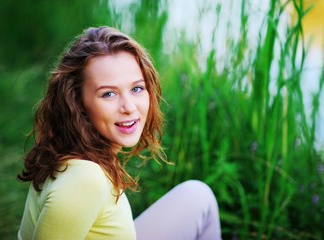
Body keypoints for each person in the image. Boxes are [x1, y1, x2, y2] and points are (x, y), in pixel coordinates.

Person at [17, 26, 221, 240]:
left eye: (136, 89)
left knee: (197, 197)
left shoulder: (72, 153)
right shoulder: (86, 180)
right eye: (109, 94)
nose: (129, 107)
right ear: (76, 102)